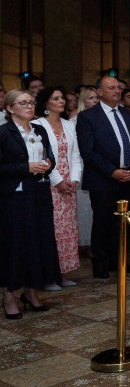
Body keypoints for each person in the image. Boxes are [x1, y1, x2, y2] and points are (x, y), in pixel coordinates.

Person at [1, 90, 61, 318]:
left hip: (39, 193)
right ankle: (9, 296)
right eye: (23, 103)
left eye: (31, 102)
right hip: (14, 198)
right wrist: (25, 168)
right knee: (17, 244)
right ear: (9, 108)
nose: (29, 106)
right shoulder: (4, 133)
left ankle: (32, 291)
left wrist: (48, 164)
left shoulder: (39, 129)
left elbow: (51, 159)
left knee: (40, 242)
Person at [77, 75, 130, 279]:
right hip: (103, 180)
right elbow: (88, 152)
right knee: (103, 222)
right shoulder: (88, 117)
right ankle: (101, 263)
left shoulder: (129, 114)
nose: (117, 91)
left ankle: (118, 260)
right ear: (100, 92)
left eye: (118, 87)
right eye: (112, 88)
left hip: (129, 177)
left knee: (121, 223)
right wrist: (112, 171)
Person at [33, 86, 82, 288]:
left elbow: (76, 155)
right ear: (46, 103)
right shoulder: (37, 124)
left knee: (67, 230)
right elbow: (40, 156)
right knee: (50, 230)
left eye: (62, 97)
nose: (61, 101)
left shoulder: (69, 124)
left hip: (69, 185)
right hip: (48, 184)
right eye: (56, 98)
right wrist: (58, 181)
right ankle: (48, 275)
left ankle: (63, 273)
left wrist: (74, 180)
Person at [75, 85, 99, 256]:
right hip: (81, 166)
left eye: (96, 98)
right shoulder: (75, 120)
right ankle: (83, 244)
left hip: (97, 166)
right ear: (83, 101)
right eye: (91, 98)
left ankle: (94, 244)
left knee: (93, 210)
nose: (95, 101)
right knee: (83, 209)